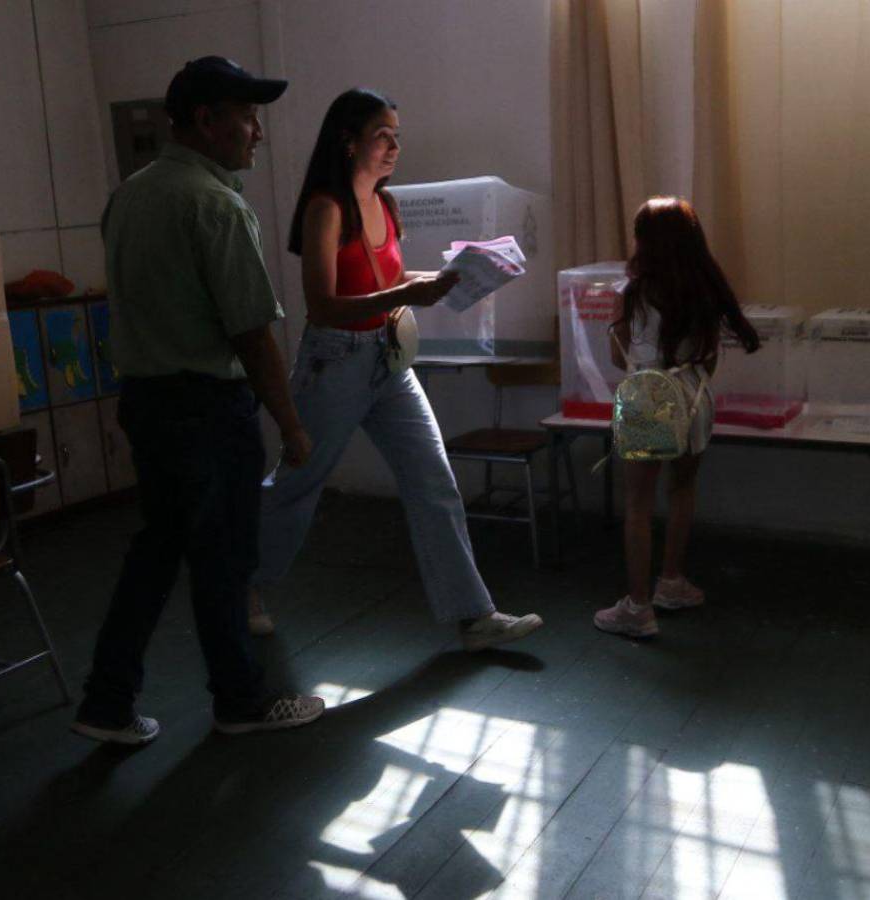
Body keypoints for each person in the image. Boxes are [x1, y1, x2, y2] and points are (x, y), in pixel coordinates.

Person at [71, 57, 325, 744]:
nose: (257, 135)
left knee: (156, 553)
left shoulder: (128, 196)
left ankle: (106, 701)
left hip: (147, 405)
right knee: (224, 560)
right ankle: (240, 702)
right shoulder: (216, 205)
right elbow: (250, 333)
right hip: (208, 410)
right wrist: (293, 426)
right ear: (208, 121)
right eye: (247, 118)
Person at [246, 88, 543, 652]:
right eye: (383, 136)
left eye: (396, 137)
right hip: (334, 360)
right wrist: (411, 292)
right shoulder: (325, 208)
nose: (393, 148)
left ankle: (473, 615)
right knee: (299, 480)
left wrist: (461, 271)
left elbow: (390, 283)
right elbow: (325, 304)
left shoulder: (387, 204)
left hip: (390, 361)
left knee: (433, 479)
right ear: (348, 140)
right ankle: (242, 584)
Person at [593, 196, 760, 638]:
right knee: (683, 489)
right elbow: (710, 359)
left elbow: (617, 356)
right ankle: (672, 583)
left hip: (647, 397)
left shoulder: (630, 293)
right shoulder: (706, 287)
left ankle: (637, 608)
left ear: (643, 240)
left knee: (638, 506)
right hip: (695, 396)